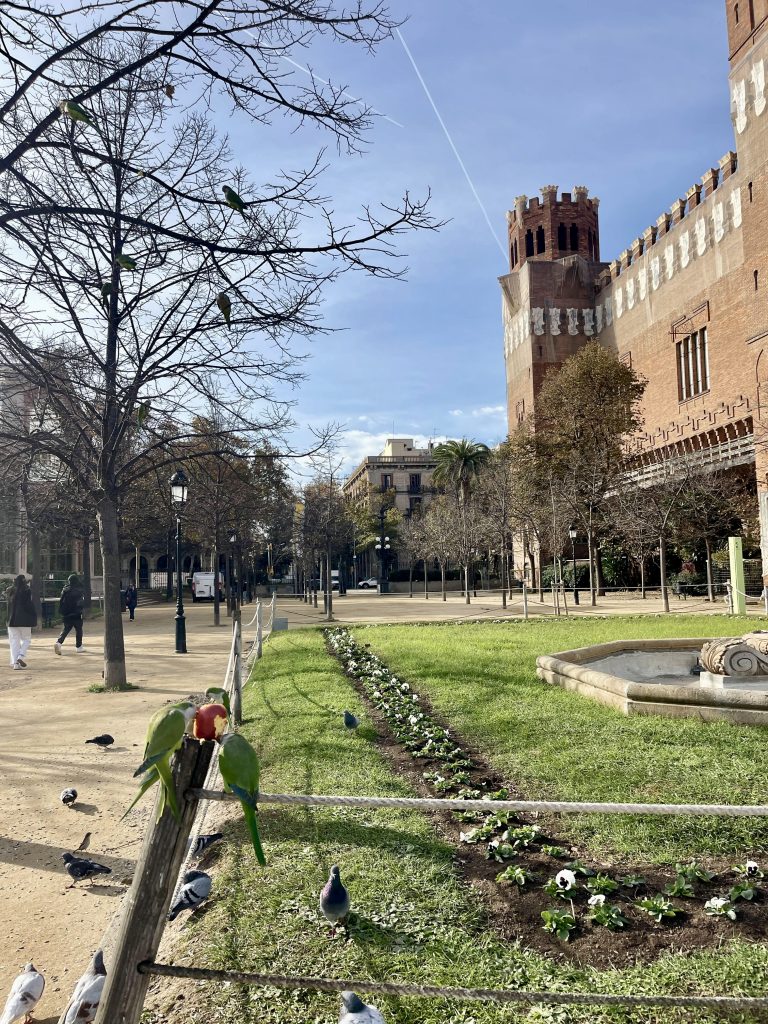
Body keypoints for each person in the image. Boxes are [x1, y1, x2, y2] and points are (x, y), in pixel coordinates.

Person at [7, 574, 37, 670]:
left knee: (14, 642)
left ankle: (15, 664)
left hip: (11, 621)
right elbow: (29, 605)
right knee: (26, 639)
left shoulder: (11, 591)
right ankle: (20, 656)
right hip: (24, 621)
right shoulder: (26, 590)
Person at [55, 573, 86, 655]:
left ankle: (58, 643)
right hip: (76, 613)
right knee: (79, 630)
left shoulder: (64, 590)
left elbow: (61, 601)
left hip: (66, 613)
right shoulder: (78, 591)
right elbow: (81, 602)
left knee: (66, 629)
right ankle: (79, 647)